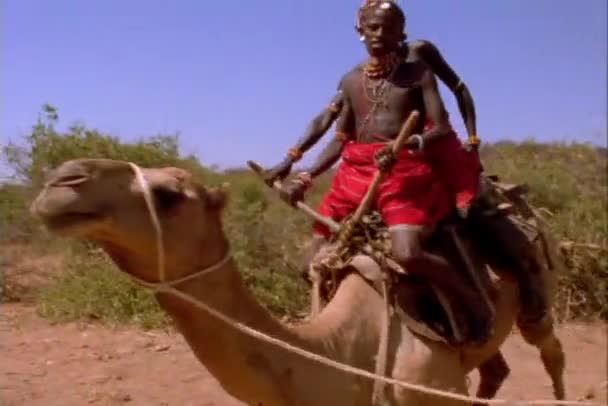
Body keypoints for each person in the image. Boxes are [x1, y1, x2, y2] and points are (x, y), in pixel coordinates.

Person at [263, 1, 547, 325]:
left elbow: (447, 111)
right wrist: (293, 165)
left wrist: (469, 140)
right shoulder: (351, 81)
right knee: (311, 262)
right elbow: (332, 130)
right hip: (358, 174)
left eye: (388, 27)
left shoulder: (419, 65)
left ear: (402, 31)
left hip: (414, 160)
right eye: (372, 27)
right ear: (360, 31)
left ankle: (511, 286)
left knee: (471, 207)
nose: (379, 34)